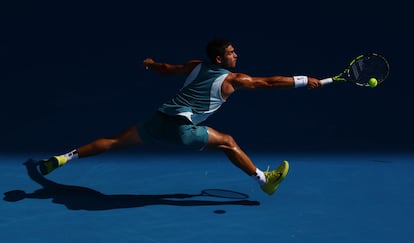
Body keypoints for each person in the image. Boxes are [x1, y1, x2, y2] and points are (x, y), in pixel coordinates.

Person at [39, 38, 323, 195]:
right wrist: (304, 79)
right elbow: (269, 83)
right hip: (180, 128)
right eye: (231, 52)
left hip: (158, 120)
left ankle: (63, 158)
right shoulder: (235, 80)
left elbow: (166, 68)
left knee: (113, 141)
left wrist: (150, 64)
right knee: (228, 142)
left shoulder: (195, 66)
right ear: (220, 59)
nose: (236, 55)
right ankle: (264, 180)